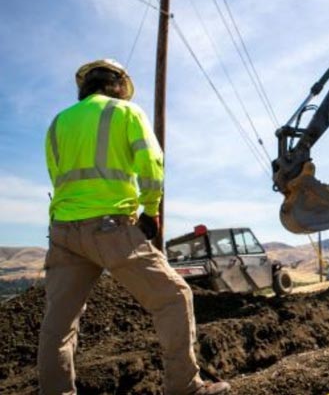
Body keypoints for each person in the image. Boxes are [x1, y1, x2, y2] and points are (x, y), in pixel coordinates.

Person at [39, 59, 230, 395]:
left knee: (59, 326)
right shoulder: (126, 112)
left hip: (63, 233)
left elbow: (57, 176)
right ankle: (185, 387)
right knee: (173, 296)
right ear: (118, 84)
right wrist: (151, 211)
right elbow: (152, 164)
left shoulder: (57, 123)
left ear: (84, 86)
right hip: (111, 229)